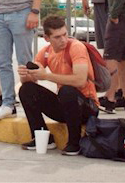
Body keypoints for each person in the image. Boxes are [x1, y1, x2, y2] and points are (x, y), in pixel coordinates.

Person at [17, 16, 99, 156]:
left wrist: (46, 76)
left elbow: (80, 81)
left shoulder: (76, 47)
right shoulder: (46, 52)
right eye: (57, 37)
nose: (63, 40)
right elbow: (32, 81)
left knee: (66, 90)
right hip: (67, 106)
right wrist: (25, 75)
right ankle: (43, 137)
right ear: (47, 38)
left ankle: (74, 143)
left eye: (65, 34)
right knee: (26, 90)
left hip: (87, 107)